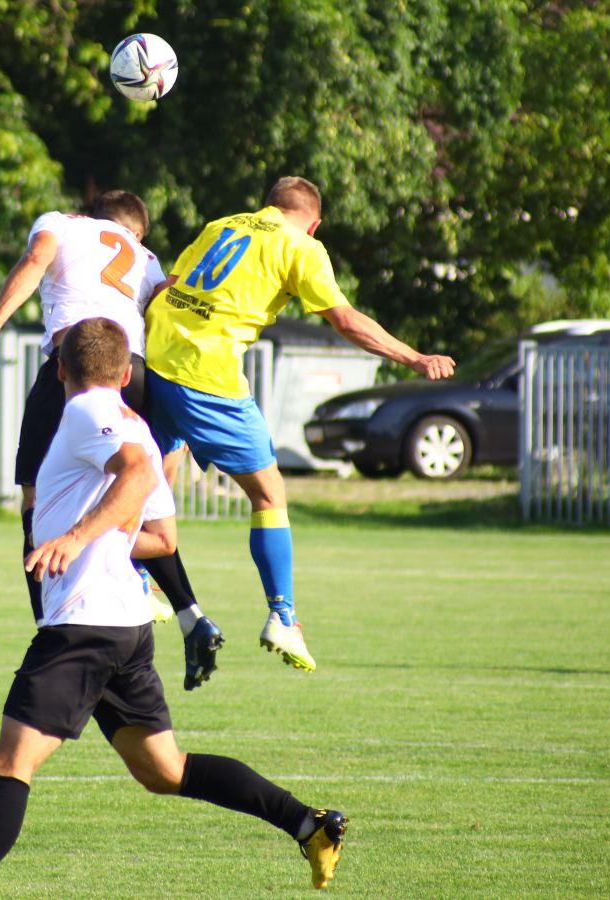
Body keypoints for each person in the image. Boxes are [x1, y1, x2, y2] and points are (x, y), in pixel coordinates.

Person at [0, 318, 348, 900]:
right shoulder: (137, 426)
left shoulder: (85, 412)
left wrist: (76, 536)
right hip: (125, 624)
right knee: (163, 770)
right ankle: (308, 824)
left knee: (10, 762)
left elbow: (135, 474)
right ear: (125, 373)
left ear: (60, 369)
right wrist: (99, 535)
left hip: (83, 625)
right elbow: (161, 539)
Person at [145, 176, 457, 673]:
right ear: (314, 224)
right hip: (206, 375)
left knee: (157, 475)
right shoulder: (302, 247)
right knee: (269, 495)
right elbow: (345, 320)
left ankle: (141, 582)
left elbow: (168, 287)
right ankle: (283, 616)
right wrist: (415, 358)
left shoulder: (221, 225)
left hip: (155, 358)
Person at [0, 190, 223, 691]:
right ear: (135, 231)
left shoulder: (63, 223)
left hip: (78, 364)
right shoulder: (146, 259)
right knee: (132, 508)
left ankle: (51, 629)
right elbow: (169, 317)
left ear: (88, 212)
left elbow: (36, 259)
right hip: (134, 373)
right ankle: (189, 614)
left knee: (37, 503)